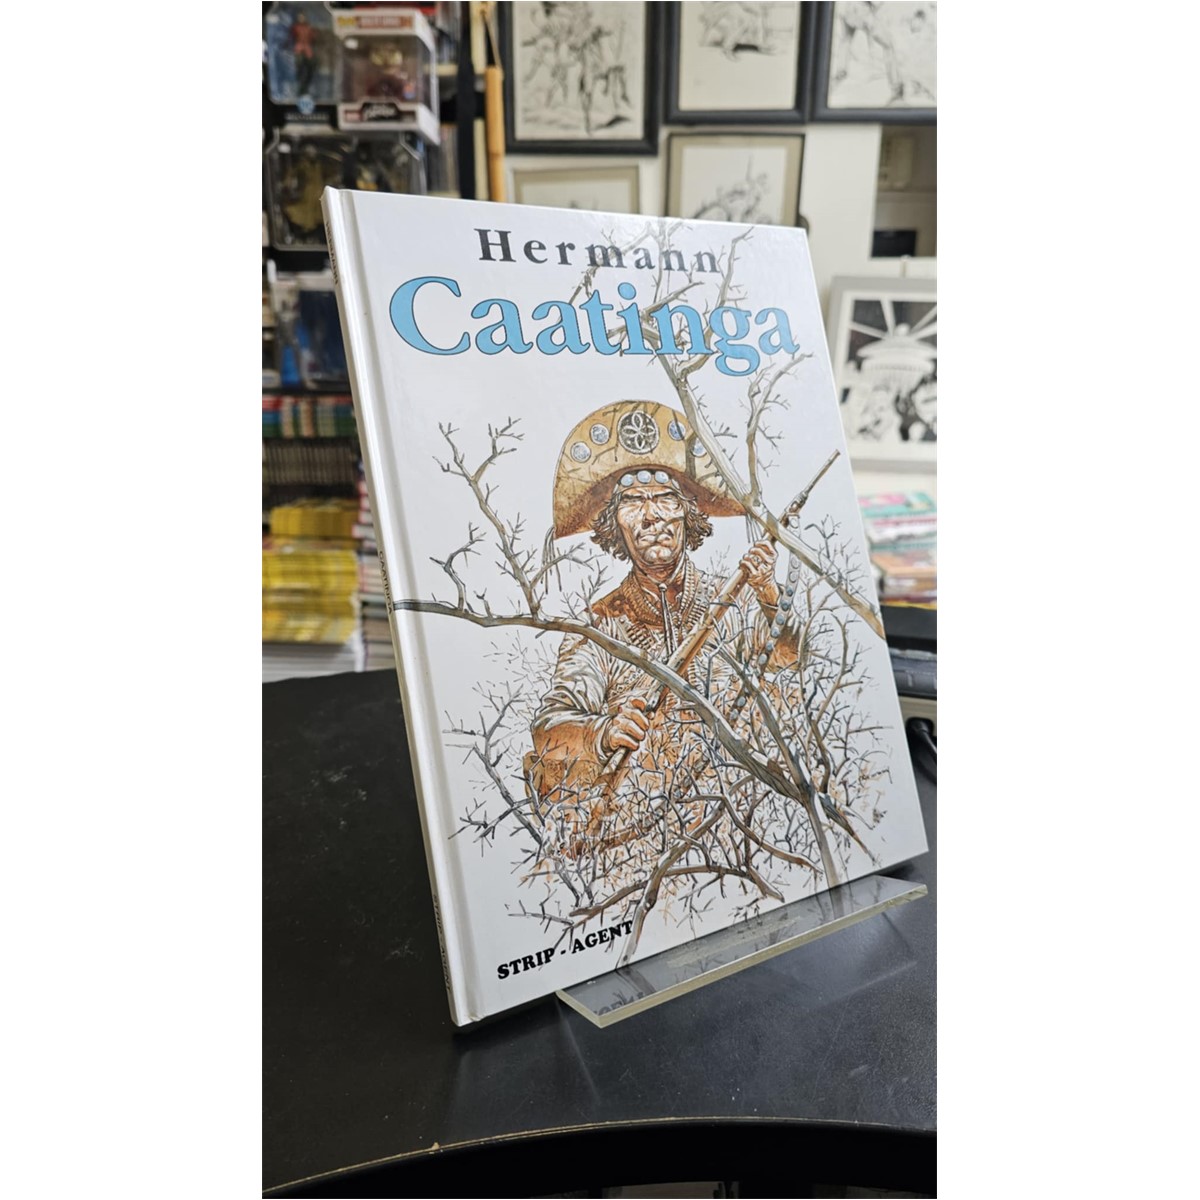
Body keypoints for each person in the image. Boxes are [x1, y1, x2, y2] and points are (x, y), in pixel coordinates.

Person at [528, 402, 798, 842]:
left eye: (665, 498)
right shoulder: (599, 628)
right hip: (641, 833)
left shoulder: (737, 599)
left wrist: (768, 593)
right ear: (614, 523)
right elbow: (549, 733)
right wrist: (604, 733)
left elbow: (792, 667)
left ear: (688, 512)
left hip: (740, 823)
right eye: (633, 502)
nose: (651, 515)